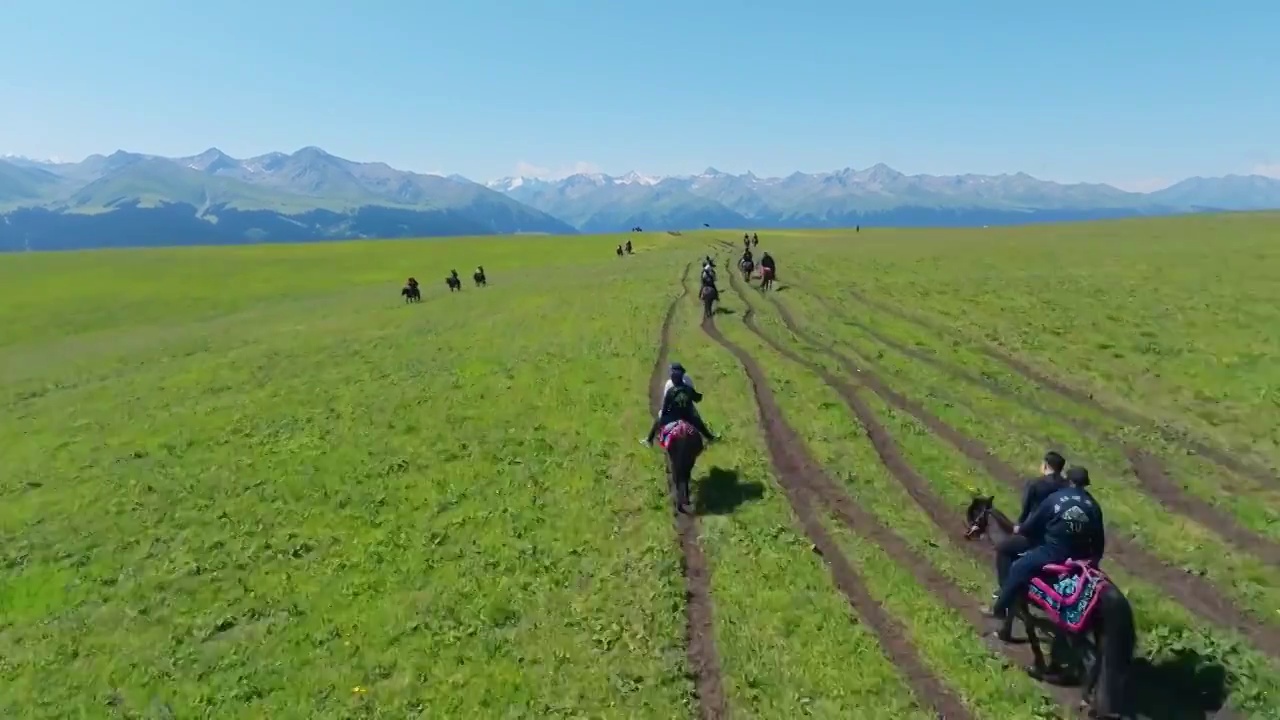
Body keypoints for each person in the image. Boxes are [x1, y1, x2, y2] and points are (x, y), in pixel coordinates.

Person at [989, 466, 1106, 636]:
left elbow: (1033, 526)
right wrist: (1093, 560)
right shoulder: (1093, 506)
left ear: (1069, 481)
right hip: (1081, 556)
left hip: (1053, 552)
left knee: (1018, 567)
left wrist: (1021, 529)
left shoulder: (1056, 499)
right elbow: (1099, 541)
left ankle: (1000, 608)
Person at [992, 451, 1068, 600]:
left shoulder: (1035, 484)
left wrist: (1020, 529)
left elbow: (1026, 512)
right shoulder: (1068, 487)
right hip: (1060, 537)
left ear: (1045, 465)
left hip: (1037, 538)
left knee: (1003, 548)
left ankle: (1005, 591)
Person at [645, 362, 716, 445]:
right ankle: (710, 437)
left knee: (658, 421)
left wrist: (663, 414)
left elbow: (665, 405)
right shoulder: (688, 384)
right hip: (688, 414)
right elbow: (696, 398)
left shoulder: (669, 386)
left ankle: (649, 440)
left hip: (673, 415)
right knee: (698, 421)